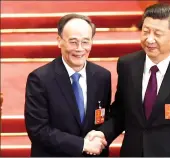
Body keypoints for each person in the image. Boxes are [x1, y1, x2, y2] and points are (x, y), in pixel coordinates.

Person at [87, 3, 170, 157]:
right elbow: (121, 112)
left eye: (157, 34)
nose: (149, 39)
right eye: (145, 31)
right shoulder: (128, 65)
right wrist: (102, 134)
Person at [24, 14, 110, 156]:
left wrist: (99, 135)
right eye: (73, 42)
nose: (80, 49)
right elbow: (38, 130)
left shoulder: (102, 76)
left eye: (85, 42)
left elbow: (101, 117)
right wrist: (83, 145)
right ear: (59, 41)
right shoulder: (40, 79)